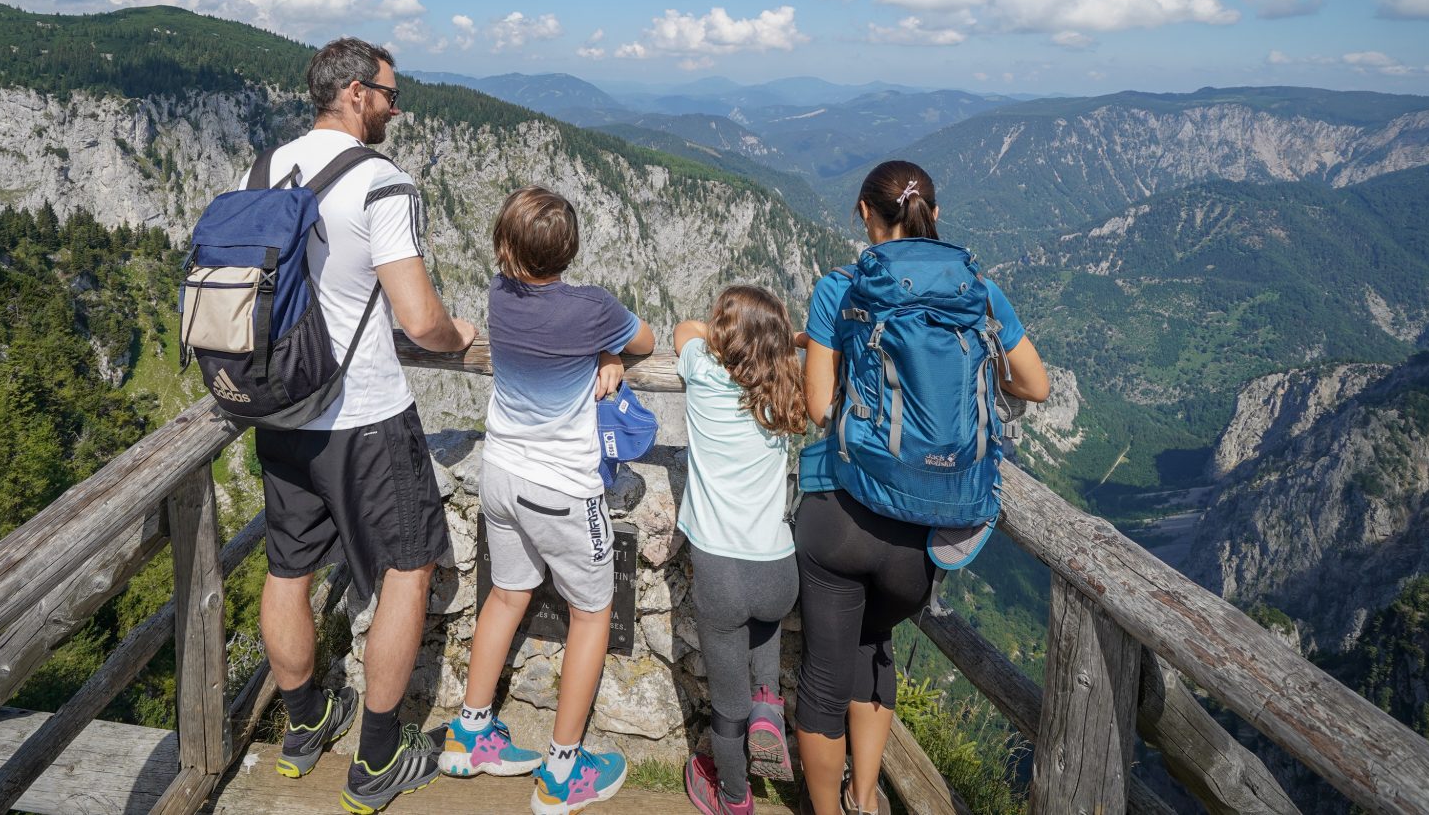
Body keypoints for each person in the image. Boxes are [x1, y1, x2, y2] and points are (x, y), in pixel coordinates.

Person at [249, 37, 479, 815]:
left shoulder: (264, 168)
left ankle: (307, 722)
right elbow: (418, 315)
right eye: (390, 93)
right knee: (406, 570)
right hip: (364, 415)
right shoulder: (381, 182)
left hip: (279, 410)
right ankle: (377, 757)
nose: (395, 107)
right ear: (354, 92)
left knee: (289, 568)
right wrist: (462, 337)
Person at [793, 161, 1050, 815]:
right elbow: (1035, 385)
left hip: (839, 516)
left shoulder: (839, 290)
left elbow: (820, 405)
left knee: (823, 679)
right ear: (933, 213)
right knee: (874, 649)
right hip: (922, 536)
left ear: (863, 213)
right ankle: (866, 797)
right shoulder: (980, 293)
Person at [437, 186, 656, 814]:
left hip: (500, 474)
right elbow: (642, 340)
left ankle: (471, 731)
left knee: (507, 595)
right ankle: (562, 773)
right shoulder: (592, 308)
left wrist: (600, 348)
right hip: (562, 488)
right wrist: (610, 350)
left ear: (508, 247)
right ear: (572, 248)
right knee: (592, 611)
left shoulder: (498, 295)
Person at [670, 286, 807, 815]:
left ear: (727, 338)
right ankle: (769, 699)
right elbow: (808, 351)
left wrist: (721, 334)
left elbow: (684, 328)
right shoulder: (784, 389)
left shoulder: (704, 375)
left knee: (728, 708)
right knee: (764, 621)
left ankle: (733, 797)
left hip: (721, 571)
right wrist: (784, 340)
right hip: (778, 570)